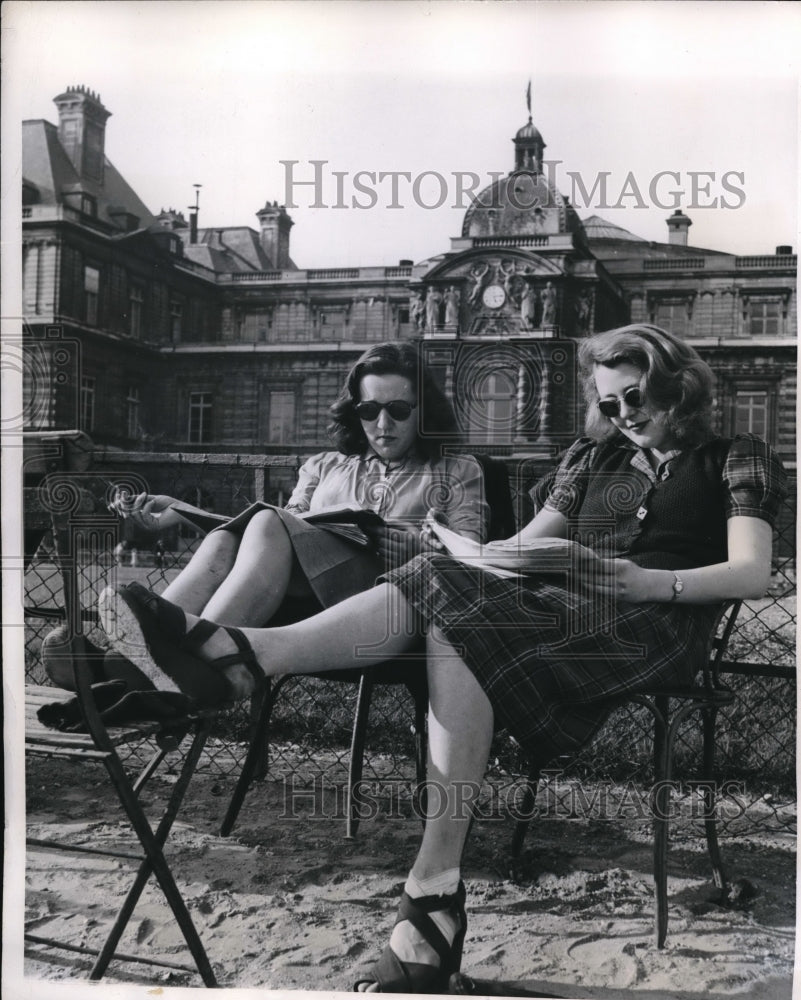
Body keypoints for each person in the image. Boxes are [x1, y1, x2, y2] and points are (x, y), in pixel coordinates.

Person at [98, 325, 786, 992]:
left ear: (678, 386)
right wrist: (475, 554)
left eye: (635, 396)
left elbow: (751, 572)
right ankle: (433, 889)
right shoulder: (590, 458)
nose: (623, 414)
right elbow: (519, 546)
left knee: (447, 602)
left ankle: (236, 657)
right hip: (558, 609)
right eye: (608, 403)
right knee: (445, 586)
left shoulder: (735, 455)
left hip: (655, 625)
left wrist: (650, 582)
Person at [95, 341, 488, 699]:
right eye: (369, 410)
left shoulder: (455, 469)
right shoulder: (325, 466)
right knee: (226, 539)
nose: (383, 426)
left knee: (268, 521)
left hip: (383, 607)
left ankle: (164, 663)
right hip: (300, 605)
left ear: (425, 411)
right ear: (356, 411)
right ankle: (151, 659)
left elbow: (474, 554)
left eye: (399, 410)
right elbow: (263, 544)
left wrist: (423, 547)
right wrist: (179, 511)